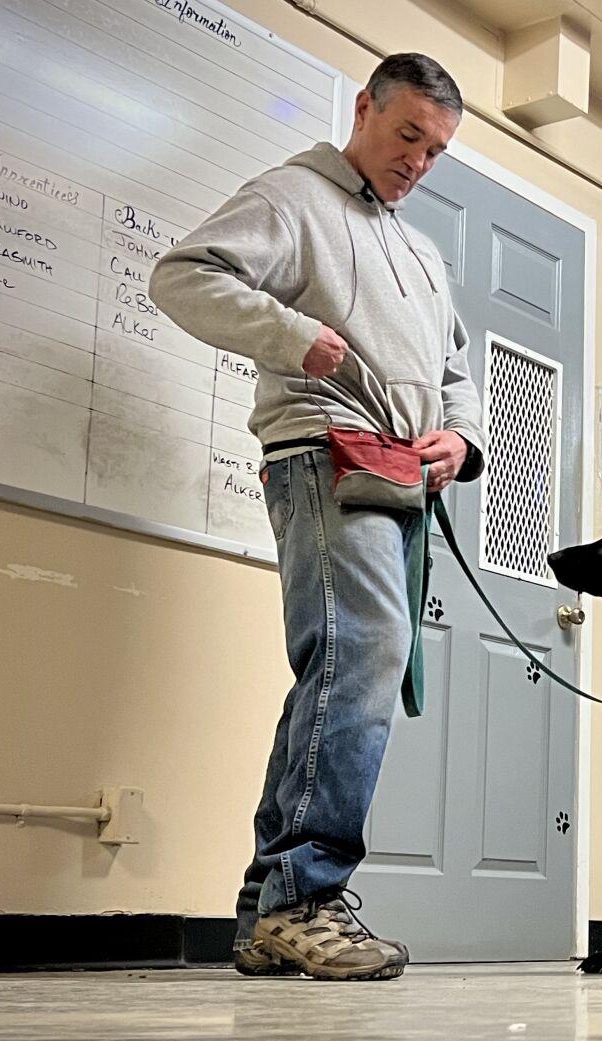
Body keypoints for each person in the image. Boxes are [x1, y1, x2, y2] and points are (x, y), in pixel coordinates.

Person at [151, 53, 487, 980]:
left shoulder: (420, 251)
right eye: (407, 135)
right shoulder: (294, 197)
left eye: (437, 150)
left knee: (353, 667)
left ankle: (274, 908)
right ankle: (304, 895)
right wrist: (292, 335)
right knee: (358, 661)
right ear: (364, 108)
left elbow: (457, 372)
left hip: (403, 478)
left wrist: (459, 436)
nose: (418, 161)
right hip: (325, 455)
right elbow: (181, 276)